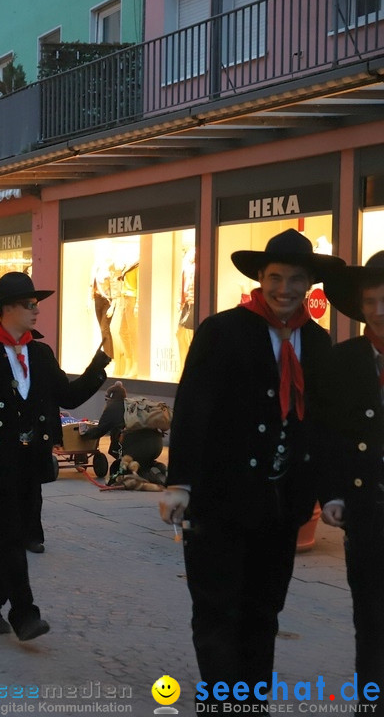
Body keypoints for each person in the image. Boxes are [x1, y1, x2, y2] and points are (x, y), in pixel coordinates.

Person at [158, 229, 343, 705]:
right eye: (276, 277)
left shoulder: (318, 343)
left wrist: (330, 490)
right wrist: (179, 482)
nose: (285, 289)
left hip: (281, 507)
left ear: (309, 286)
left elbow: (322, 425)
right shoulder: (222, 330)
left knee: (264, 611)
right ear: (261, 279)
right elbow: (194, 408)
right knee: (218, 610)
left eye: (296, 280)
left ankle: (251, 703)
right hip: (220, 500)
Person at [0, 272, 109, 641]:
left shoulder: (39, 353)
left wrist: (101, 361)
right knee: (9, 535)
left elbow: (67, 396)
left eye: (36, 304)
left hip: (30, 458)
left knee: (12, 534)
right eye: (28, 304)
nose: (36, 310)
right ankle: (24, 613)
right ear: (6, 310)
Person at [318, 251, 384, 693]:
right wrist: (332, 493)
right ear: (360, 307)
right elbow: (327, 434)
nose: (379, 311)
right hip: (367, 511)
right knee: (372, 621)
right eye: (371, 301)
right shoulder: (344, 360)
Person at [81, 381, 165, 482]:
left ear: (110, 398)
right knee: (146, 461)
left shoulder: (112, 407)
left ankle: (147, 475)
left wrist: (85, 433)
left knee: (116, 470)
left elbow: (100, 430)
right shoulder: (132, 406)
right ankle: (159, 470)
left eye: (106, 400)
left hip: (136, 447)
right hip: (157, 445)